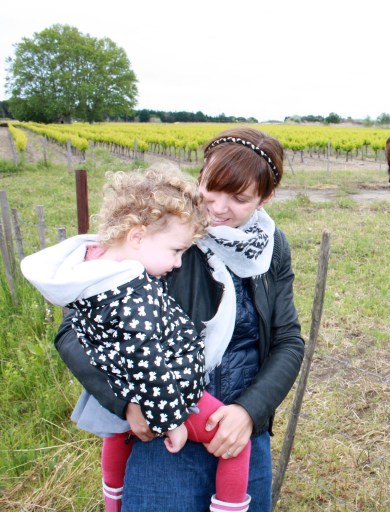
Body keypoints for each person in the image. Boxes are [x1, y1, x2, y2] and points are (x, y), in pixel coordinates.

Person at [52, 128, 305, 512]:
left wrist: (250, 413)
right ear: (200, 175)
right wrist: (127, 405)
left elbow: (287, 340)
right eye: (212, 188)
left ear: (265, 198)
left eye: (238, 198)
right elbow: (74, 329)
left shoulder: (273, 248)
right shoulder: (163, 232)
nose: (218, 208)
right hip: (165, 437)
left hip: (240, 437)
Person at [22, 167, 253, 512]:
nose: (177, 263)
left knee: (117, 434)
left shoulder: (92, 270)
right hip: (173, 392)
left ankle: (112, 502)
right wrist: (172, 421)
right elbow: (150, 365)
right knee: (239, 445)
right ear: (137, 237)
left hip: (122, 389)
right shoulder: (134, 294)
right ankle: (229, 507)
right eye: (175, 251)